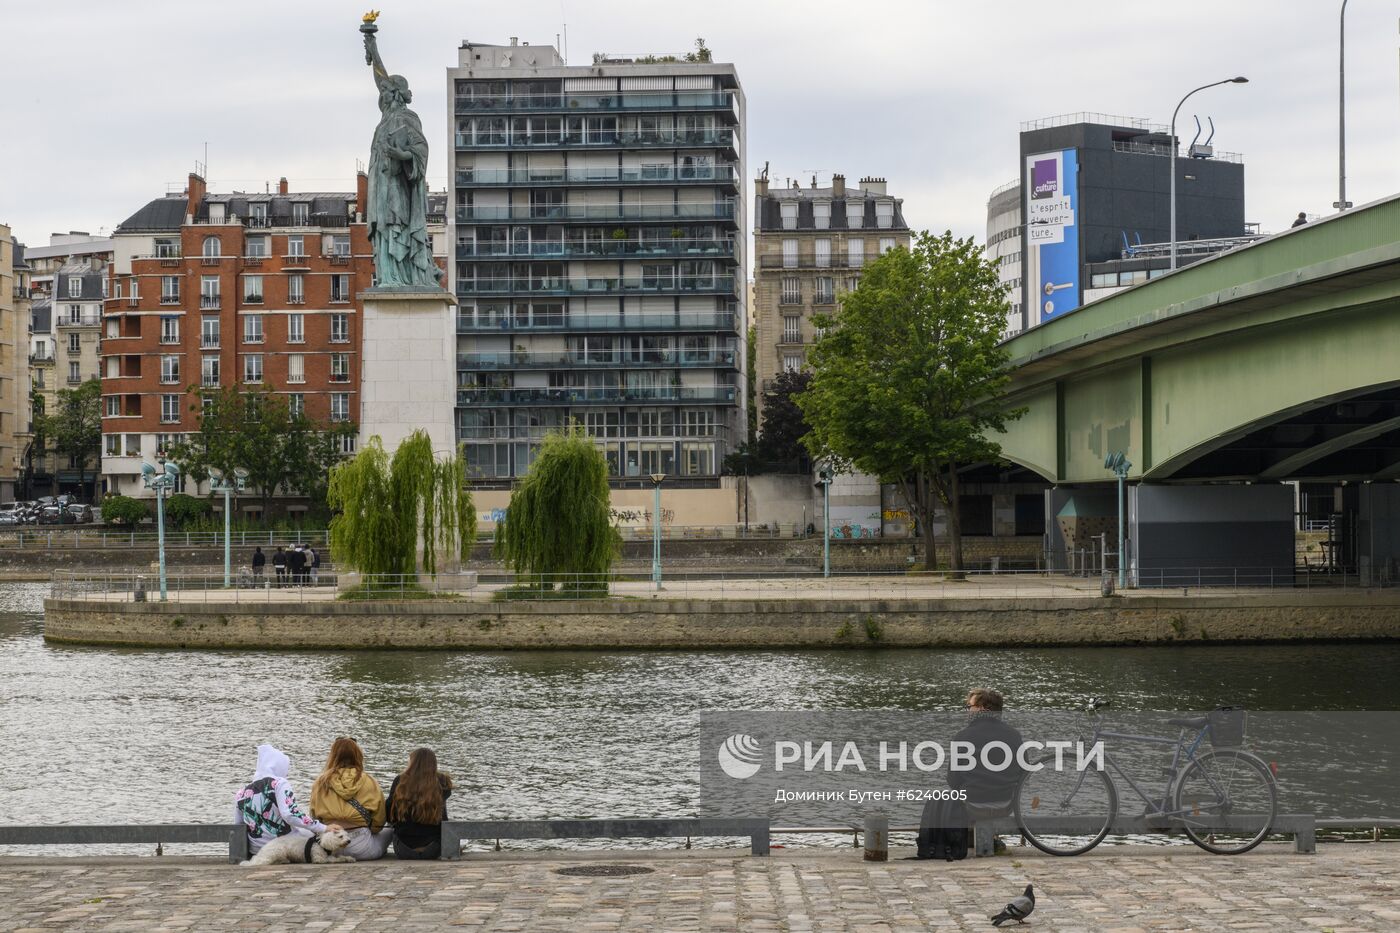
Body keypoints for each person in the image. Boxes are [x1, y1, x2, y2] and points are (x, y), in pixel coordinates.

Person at [948, 688, 1026, 855]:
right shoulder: (1014, 735)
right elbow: (1024, 773)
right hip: (1005, 805)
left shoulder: (962, 736)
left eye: (969, 706)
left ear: (983, 708)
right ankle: (991, 839)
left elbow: (953, 780)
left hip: (973, 806)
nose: (967, 711)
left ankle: (973, 837)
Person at [233, 744, 327, 856]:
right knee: (316, 836)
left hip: (256, 850)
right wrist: (323, 827)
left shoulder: (241, 792)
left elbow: (239, 825)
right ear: (279, 766)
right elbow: (290, 814)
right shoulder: (278, 784)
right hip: (283, 846)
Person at [310, 737, 391, 860]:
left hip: (330, 846)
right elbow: (378, 824)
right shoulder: (369, 781)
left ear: (332, 756)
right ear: (358, 755)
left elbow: (314, 818)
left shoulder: (320, 782)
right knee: (391, 831)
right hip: (362, 847)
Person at [386, 747, 453, 860]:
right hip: (433, 849)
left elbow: (388, 813)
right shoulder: (443, 781)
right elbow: (443, 817)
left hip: (403, 849)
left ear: (412, 762)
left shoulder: (400, 780)